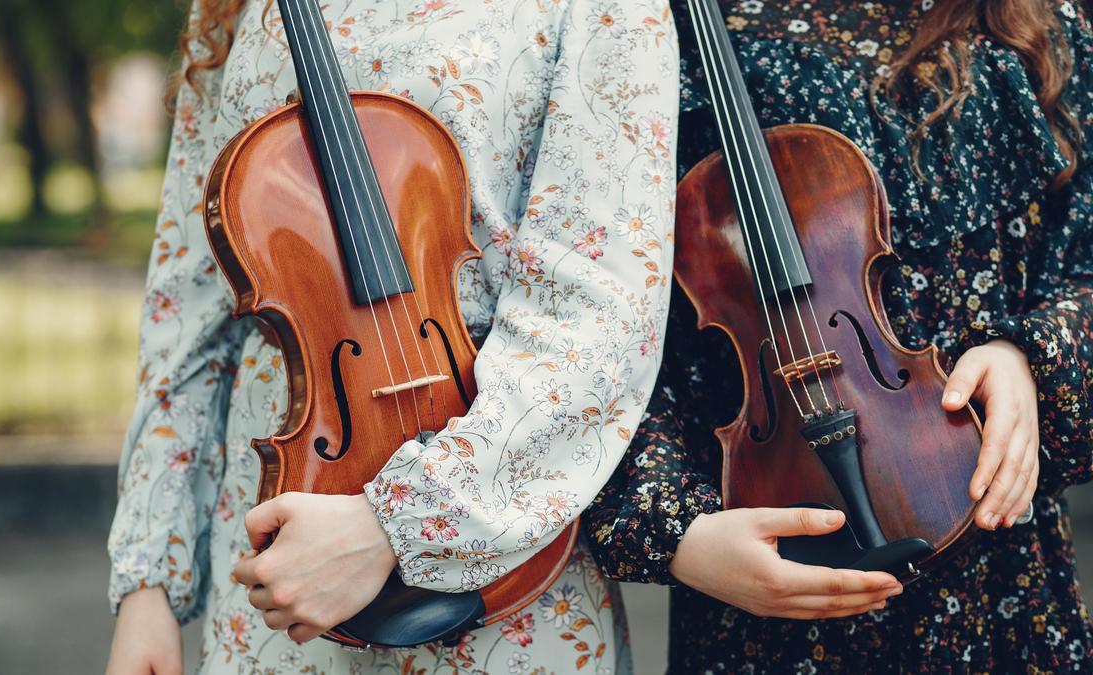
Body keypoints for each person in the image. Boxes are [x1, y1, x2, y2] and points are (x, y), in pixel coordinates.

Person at [102, 0, 703, 672]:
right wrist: (147, 578)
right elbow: (187, 304)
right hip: (275, 549)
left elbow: (597, 312)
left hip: (500, 542)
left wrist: (396, 522)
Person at [586, 0, 1093, 671]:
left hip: (1000, 556)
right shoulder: (653, 35)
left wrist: (1028, 357)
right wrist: (682, 533)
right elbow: (599, 328)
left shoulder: (1032, 19)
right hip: (775, 551)